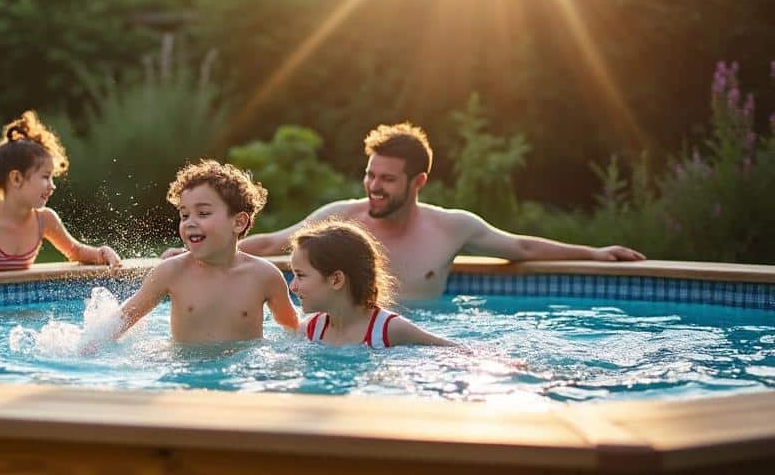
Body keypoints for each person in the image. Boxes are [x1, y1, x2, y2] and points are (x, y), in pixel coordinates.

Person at [173, 123, 645, 300]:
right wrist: (196, 254)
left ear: (418, 182)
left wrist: (596, 252)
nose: (374, 187)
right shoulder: (342, 216)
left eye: (388, 180)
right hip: (351, 344)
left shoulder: (452, 227)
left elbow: (520, 246)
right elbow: (273, 243)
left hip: (415, 348)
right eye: (370, 175)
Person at [0, 111, 121, 304]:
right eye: (45, 176)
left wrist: (100, 253)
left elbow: (76, 252)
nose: (52, 185)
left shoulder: (45, 219)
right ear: (16, 178)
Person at [114, 160, 299, 343]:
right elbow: (118, 323)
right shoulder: (171, 272)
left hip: (243, 371)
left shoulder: (265, 276)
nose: (190, 222)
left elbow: (295, 331)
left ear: (238, 222)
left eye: (203, 213)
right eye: (184, 215)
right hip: (187, 370)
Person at [290, 219, 453, 347]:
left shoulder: (390, 329)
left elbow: (457, 352)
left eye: (301, 275)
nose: (292, 286)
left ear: (336, 279)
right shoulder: (309, 330)